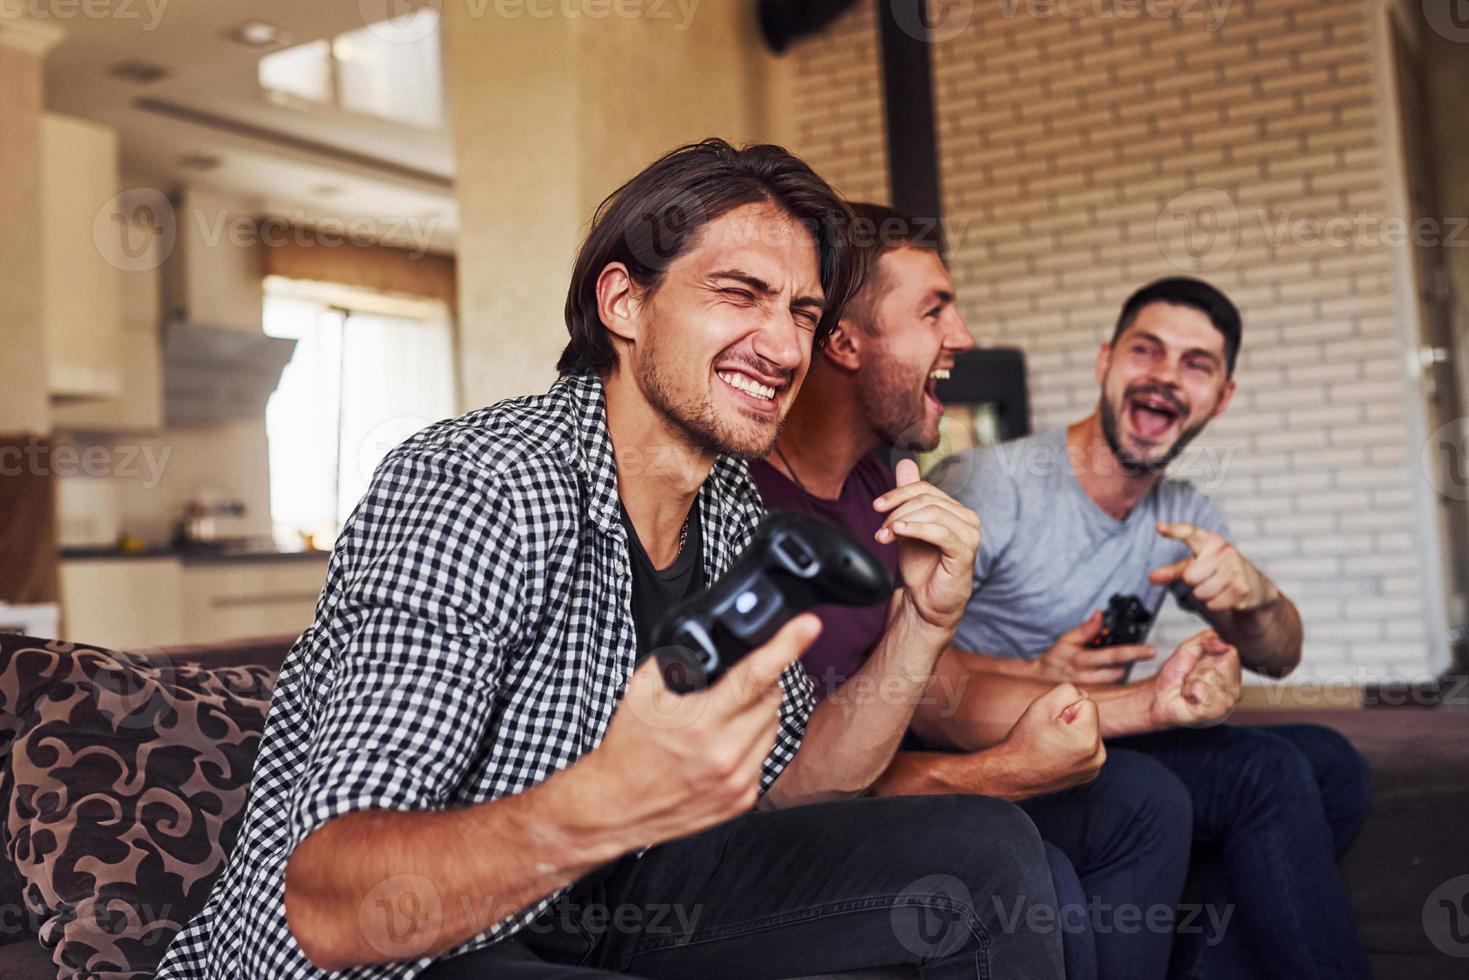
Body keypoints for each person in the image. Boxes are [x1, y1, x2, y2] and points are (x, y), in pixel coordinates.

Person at [155, 141, 1064, 980]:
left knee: (983, 853)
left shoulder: (731, 508)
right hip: (406, 953)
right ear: (623, 301)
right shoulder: (476, 484)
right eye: (738, 294)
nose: (785, 347)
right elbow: (330, 899)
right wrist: (607, 800)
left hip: (612, 897)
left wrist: (922, 622)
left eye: (801, 311)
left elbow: (796, 786)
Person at [753, 204, 1242, 980]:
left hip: (876, 764)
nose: (964, 337)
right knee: (1024, 867)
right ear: (843, 341)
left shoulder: (881, 484)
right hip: (783, 824)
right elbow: (790, 787)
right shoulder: (748, 506)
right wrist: (1002, 772)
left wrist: (1152, 702)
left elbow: (936, 685)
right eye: (934, 309)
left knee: (1149, 801)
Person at [930, 275, 1373, 979]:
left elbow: (1279, 659)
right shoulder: (991, 485)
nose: (1165, 377)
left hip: (1106, 729)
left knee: (1333, 760)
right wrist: (1036, 673)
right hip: (1003, 751)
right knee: (1262, 775)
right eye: (1147, 351)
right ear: (1105, 360)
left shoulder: (1183, 513)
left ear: (1220, 397)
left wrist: (1257, 600)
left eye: (1196, 364)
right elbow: (900, 674)